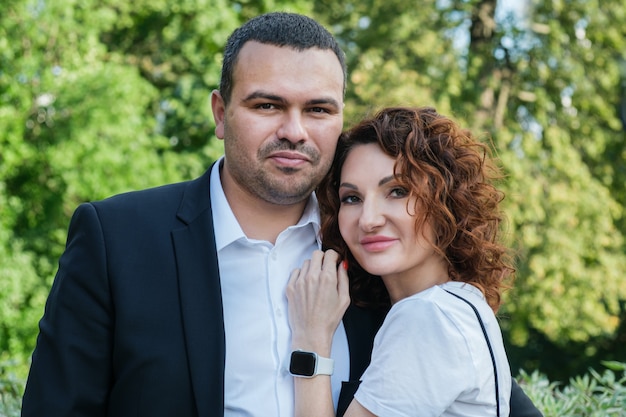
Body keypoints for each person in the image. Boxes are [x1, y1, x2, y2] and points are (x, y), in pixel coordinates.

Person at [21, 12, 541, 417]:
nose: (295, 130)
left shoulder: (377, 253)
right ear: (221, 114)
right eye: (267, 105)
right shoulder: (118, 239)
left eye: (318, 110)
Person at [287, 106, 528, 416]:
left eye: (398, 191)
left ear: (445, 201)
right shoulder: (457, 304)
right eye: (352, 198)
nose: (368, 220)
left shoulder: (428, 317)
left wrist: (311, 339)